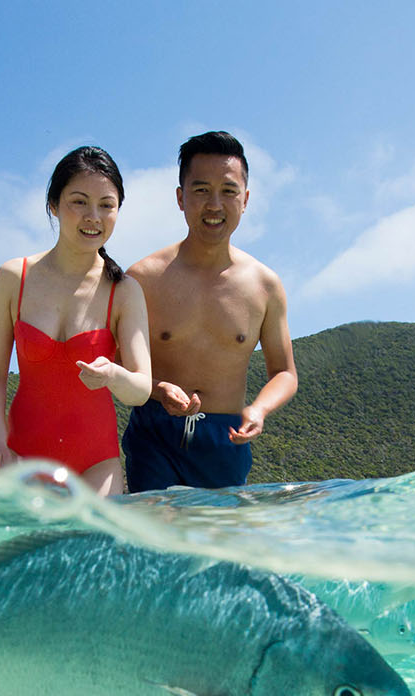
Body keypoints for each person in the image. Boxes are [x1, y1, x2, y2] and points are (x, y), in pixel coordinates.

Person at [122, 131, 297, 493]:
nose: (214, 204)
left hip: (226, 437)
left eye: (228, 191)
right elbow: (114, 361)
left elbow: (284, 373)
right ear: (180, 198)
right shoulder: (142, 278)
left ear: (245, 199)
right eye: (201, 190)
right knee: (155, 542)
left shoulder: (265, 286)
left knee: (218, 546)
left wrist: (259, 409)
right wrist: (156, 390)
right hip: (155, 432)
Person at [0, 146, 153, 497]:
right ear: (53, 206)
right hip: (20, 458)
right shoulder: (14, 277)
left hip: (96, 467)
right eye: (79, 202)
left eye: (107, 205)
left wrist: (113, 375)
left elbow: (141, 389)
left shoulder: (124, 291)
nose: (94, 216)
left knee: (88, 552)